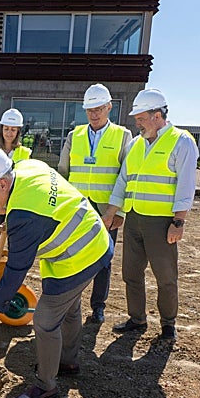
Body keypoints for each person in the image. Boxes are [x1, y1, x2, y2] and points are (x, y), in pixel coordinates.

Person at [0, 146, 113, 398]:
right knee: (69, 308)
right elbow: (39, 204)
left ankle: (46, 385)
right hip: (90, 234)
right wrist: (10, 222)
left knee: (45, 319)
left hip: (81, 253)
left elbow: (14, 273)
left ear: (2, 183)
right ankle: (66, 361)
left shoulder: (24, 216)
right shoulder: (25, 168)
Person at [99, 88, 197, 342]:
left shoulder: (181, 141)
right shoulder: (135, 144)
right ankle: (137, 319)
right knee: (131, 273)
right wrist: (114, 211)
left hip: (162, 223)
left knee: (165, 277)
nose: (137, 123)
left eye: (141, 118)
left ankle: (168, 324)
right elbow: (124, 181)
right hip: (134, 219)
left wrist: (179, 221)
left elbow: (186, 186)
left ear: (157, 115)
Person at [57, 84, 134, 323]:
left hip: (106, 209)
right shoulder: (74, 135)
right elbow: (62, 172)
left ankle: (98, 306)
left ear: (109, 107)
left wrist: (120, 211)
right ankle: (71, 303)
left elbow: (128, 176)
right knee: (73, 255)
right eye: (90, 109)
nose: (94, 113)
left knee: (103, 259)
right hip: (78, 207)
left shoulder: (122, 136)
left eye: (99, 108)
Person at [0, 108, 33, 249]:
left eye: (13, 129)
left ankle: (10, 271)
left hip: (15, 206)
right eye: (6, 129)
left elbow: (25, 182)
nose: (9, 133)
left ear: (18, 132)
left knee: (15, 243)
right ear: (1, 130)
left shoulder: (25, 153)